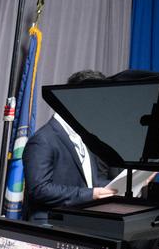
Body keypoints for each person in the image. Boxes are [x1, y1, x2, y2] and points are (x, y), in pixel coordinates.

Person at [23, 70, 116, 223]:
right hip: (50, 225)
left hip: (78, 222)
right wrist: (91, 194)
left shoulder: (87, 137)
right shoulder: (42, 140)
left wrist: (123, 186)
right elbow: (39, 189)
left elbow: (90, 183)